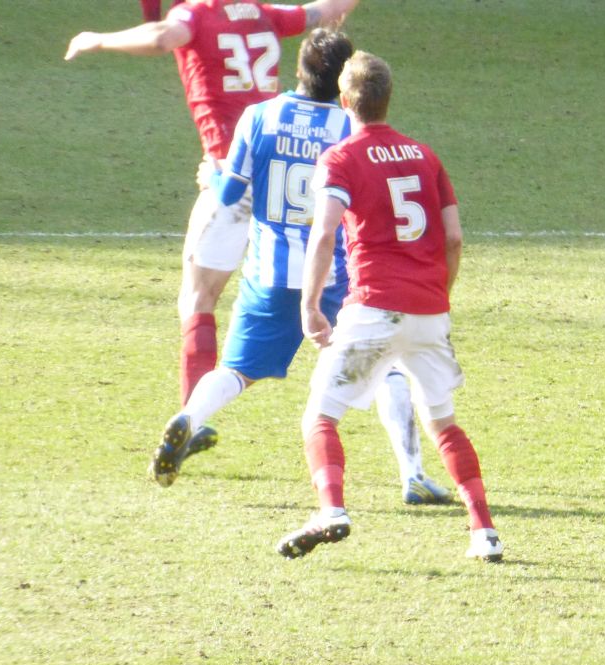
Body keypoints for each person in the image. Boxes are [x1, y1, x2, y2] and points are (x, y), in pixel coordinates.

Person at [148, 29, 452, 506]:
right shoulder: (350, 129)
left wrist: (215, 175)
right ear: (345, 81)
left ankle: (189, 417)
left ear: (299, 70)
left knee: (236, 370)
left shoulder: (259, 116)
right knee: (387, 367)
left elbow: (230, 197)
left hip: (269, 273)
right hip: (334, 277)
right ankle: (412, 473)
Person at [64, 0, 361, 443]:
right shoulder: (265, 13)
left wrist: (99, 39)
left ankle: (192, 417)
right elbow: (322, 11)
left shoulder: (196, 15)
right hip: (282, 171)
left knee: (199, 298)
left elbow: (164, 37)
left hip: (231, 174)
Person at [278, 51, 504, 563]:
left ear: (344, 101)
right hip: (428, 312)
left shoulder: (341, 157)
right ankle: (483, 532)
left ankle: (331, 509)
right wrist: (440, 295)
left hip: (372, 310)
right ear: (387, 99)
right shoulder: (426, 156)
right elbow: (453, 238)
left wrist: (311, 304)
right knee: (443, 422)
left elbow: (324, 231)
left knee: (320, 416)